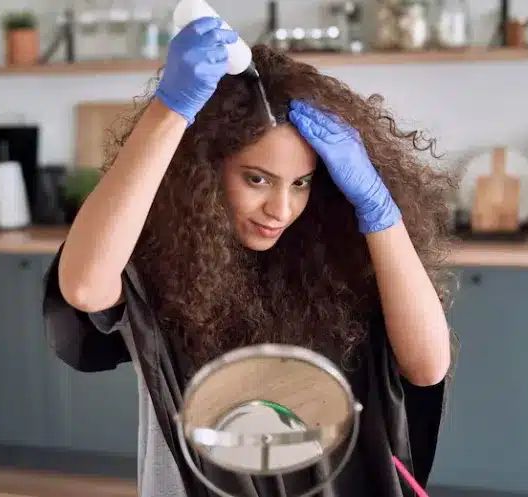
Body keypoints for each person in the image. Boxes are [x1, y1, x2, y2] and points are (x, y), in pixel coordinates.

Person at [43, 16, 459, 497]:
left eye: (300, 183)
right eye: (257, 179)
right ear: (204, 170)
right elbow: (85, 287)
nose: (281, 210)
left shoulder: (339, 258)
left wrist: (378, 209)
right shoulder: (160, 261)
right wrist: (170, 110)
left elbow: (427, 367)